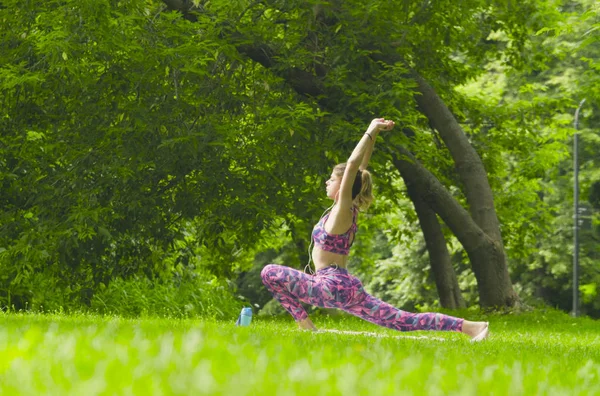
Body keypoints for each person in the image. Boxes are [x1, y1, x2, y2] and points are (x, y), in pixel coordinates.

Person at [261, 118, 489, 341]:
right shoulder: (348, 209)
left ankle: (305, 326)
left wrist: (370, 128)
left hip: (329, 286)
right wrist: (375, 134)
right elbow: (360, 169)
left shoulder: (343, 209)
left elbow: (352, 167)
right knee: (403, 321)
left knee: (269, 272)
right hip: (347, 287)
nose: (326, 182)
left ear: (344, 185)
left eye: (331, 179)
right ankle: (472, 327)